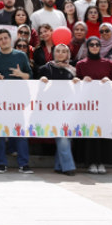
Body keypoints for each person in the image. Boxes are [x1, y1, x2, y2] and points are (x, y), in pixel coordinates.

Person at [0, 29, 33, 174]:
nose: (3, 40)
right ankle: (1, 163)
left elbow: (30, 76)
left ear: (10, 39)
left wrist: (20, 74)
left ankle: (24, 164)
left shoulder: (21, 56)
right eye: (0, 39)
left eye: (6, 38)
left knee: (20, 132)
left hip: (17, 100)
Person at [75, 36, 112, 174]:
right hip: (87, 106)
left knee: (103, 133)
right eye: (91, 44)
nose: (94, 47)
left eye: (97, 44)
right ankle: (91, 162)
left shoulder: (108, 64)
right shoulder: (81, 64)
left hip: (104, 106)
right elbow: (76, 85)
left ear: (100, 46)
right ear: (87, 47)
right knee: (90, 134)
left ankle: (102, 162)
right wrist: (81, 81)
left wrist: (108, 80)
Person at [38, 44, 80, 176]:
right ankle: (68, 166)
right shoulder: (45, 68)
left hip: (69, 108)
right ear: (53, 53)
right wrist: (42, 80)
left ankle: (58, 165)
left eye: (64, 51)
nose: (61, 54)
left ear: (68, 54)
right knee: (63, 136)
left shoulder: (72, 70)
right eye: (58, 51)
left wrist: (77, 81)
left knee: (66, 138)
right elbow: (39, 88)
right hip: (52, 109)